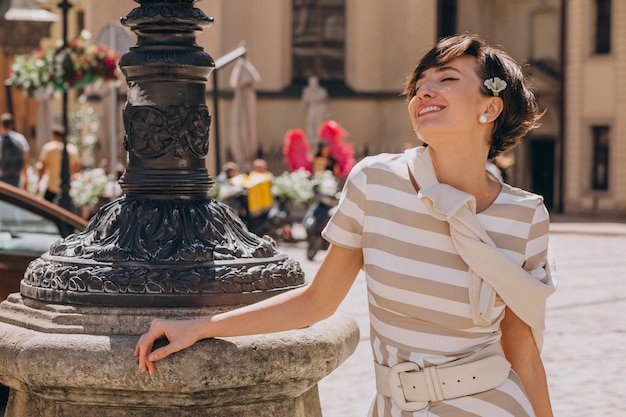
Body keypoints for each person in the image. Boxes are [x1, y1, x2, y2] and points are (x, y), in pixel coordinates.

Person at [135, 34, 557, 417]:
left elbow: (520, 347)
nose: (424, 90)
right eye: (419, 84)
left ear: (491, 105)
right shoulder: (376, 181)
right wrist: (199, 328)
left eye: (447, 78)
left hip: (496, 406)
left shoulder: (524, 216)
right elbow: (317, 302)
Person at [36, 124, 81, 202]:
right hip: (67, 189)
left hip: (52, 187)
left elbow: (41, 167)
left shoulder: (49, 148)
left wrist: (38, 182)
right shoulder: (72, 149)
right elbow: (77, 169)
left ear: (53, 135)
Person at [0, 113, 30, 189]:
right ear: (12, 125)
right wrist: (26, 178)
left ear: (1, 125)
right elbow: (25, 159)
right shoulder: (20, 139)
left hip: (2, 176)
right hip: (15, 176)